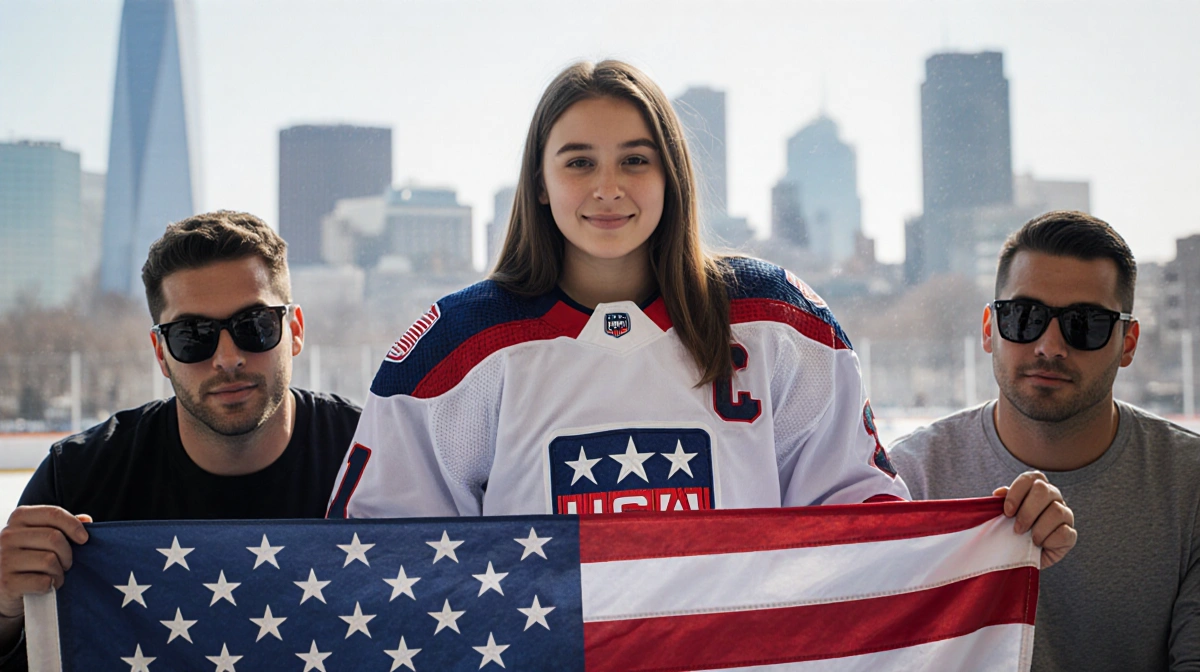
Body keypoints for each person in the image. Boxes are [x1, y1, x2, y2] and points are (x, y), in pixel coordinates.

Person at [328, 59, 1073, 562]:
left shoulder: (777, 319)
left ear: (672, 172)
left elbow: (855, 518)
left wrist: (991, 540)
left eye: (635, 158)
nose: (608, 185)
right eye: (579, 160)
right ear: (541, 181)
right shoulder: (459, 346)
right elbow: (385, 555)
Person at [0, 211, 361, 668]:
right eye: (193, 336)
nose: (228, 359)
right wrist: (5, 609)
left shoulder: (375, 456)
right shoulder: (79, 477)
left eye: (255, 325)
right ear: (161, 353)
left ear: (294, 330)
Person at [890, 210, 1200, 670]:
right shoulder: (911, 478)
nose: (1050, 346)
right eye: (1024, 316)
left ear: (1128, 343)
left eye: (1086, 323)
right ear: (988, 330)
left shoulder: (1189, 486)